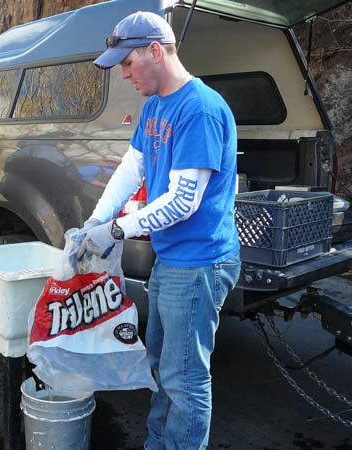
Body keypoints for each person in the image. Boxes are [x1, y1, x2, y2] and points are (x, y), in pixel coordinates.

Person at [77, 11, 241, 450]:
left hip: (201, 261)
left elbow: (183, 201)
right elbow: (132, 168)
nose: (123, 74)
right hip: (172, 258)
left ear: (155, 51)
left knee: (184, 376)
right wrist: (96, 219)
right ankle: (157, 442)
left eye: (127, 63)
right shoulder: (155, 106)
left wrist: (115, 230)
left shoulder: (201, 109)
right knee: (162, 362)